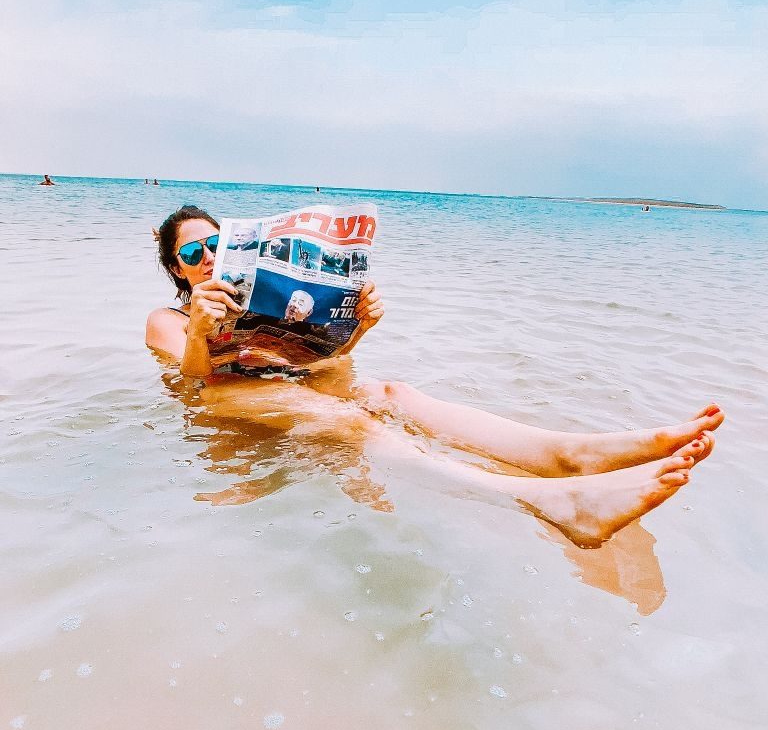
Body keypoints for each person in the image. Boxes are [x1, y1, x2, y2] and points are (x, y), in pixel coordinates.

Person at [146, 205, 724, 550]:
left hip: (297, 384)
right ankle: (551, 501)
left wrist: (357, 326)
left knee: (396, 394)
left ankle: (572, 455)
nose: (206, 255)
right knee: (347, 420)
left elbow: (324, 361)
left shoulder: (263, 302)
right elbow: (194, 379)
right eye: (193, 250)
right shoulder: (166, 319)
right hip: (227, 401)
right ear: (176, 266)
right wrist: (201, 326)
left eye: (216, 244)